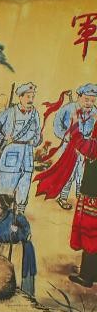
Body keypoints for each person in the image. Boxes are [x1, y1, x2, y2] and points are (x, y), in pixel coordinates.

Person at [35, 83, 97, 209]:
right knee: (68, 173)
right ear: (79, 97)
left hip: (85, 147)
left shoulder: (95, 111)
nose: (89, 103)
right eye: (86, 99)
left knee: (82, 174)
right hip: (69, 146)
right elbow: (57, 125)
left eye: (92, 100)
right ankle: (63, 197)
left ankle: (81, 198)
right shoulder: (68, 108)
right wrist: (66, 136)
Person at [0, 82, 41, 214]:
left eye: (32, 97)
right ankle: (2, 211)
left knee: (24, 184)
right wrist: (2, 141)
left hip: (28, 153)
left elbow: (38, 132)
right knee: (6, 185)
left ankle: (20, 211)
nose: (30, 100)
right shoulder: (10, 112)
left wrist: (35, 141)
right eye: (28, 96)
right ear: (20, 97)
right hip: (11, 153)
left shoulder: (35, 114)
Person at [65, 114, 97, 287]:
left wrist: (75, 124)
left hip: (93, 195)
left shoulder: (95, 145)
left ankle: (87, 276)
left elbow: (81, 143)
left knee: (90, 234)